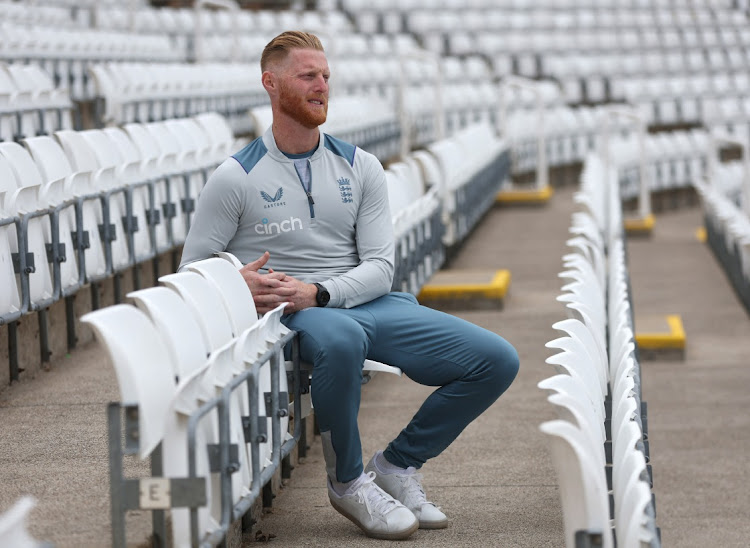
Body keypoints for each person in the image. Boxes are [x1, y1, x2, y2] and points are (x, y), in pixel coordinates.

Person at [179, 30, 519, 540]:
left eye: (326, 77)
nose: (321, 87)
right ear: (271, 84)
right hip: (301, 316)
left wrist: (319, 290)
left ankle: (398, 466)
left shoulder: (360, 166)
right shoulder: (235, 176)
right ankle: (348, 482)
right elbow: (194, 271)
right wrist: (235, 283)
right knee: (340, 339)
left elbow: (383, 266)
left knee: (496, 360)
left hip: (363, 300)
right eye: (307, 76)